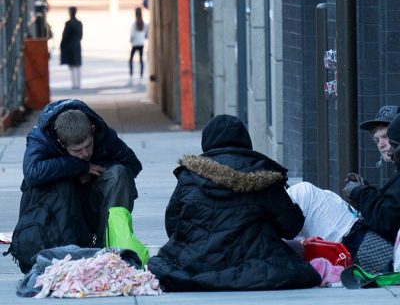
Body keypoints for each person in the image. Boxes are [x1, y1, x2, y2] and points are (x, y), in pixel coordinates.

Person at [148, 114, 321, 291]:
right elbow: (291, 227)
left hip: (196, 264)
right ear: (245, 140)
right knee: (298, 261)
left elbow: (173, 227)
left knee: (159, 265)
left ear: (207, 142)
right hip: (257, 265)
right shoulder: (264, 175)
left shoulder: (189, 176)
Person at [14, 99, 148, 272]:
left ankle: (109, 246)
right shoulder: (41, 137)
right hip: (59, 209)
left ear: (92, 130)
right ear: (61, 143)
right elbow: (32, 173)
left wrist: (93, 172)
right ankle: (65, 249)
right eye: (77, 151)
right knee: (56, 180)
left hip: (91, 199)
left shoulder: (103, 132)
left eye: (88, 146)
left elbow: (133, 165)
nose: (85, 153)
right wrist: (78, 168)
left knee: (118, 174)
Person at [288, 105, 400, 273]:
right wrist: (365, 191)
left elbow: (388, 220)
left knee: (304, 194)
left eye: (387, 138)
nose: (382, 145)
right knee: (325, 196)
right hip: (378, 244)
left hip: (382, 253)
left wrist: (361, 193)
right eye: (376, 140)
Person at [60, 6, 83, 89]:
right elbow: (81, 35)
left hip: (70, 45)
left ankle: (74, 83)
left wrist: (62, 45)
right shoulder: (79, 23)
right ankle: (78, 83)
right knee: (77, 65)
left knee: (72, 65)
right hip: (77, 45)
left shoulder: (68, 23)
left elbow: (65, 36)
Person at [128, 7, 147, 84]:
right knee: (141, 59)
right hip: (141, 44)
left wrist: (131, 40)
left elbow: (132, 35)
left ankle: (131, 74)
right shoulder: (144, 24)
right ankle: (141, 74)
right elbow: (146, 35)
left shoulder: (134, 24)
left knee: (131, 60)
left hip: (135, 44)